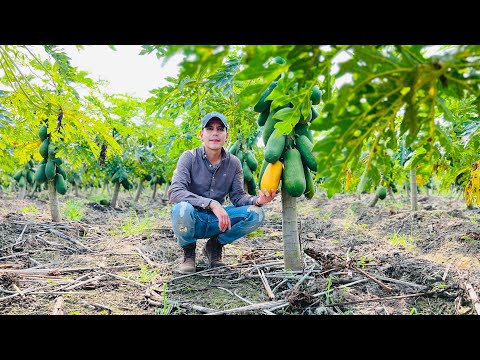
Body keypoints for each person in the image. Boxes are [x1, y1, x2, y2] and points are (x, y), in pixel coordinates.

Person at [168, 111, 278, 274]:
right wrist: (212, 204)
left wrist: (258, 200)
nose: (215, 133)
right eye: (210, 128)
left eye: (220, 129)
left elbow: (238, 197)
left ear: (226, 135)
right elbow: (175, 192)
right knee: (181, 209)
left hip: (217, 221)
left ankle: (214, 246)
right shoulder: (189, 157)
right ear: (201, 134)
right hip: (194, 218)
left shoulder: (234, 163)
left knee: (257, 214)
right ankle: (189, 253)